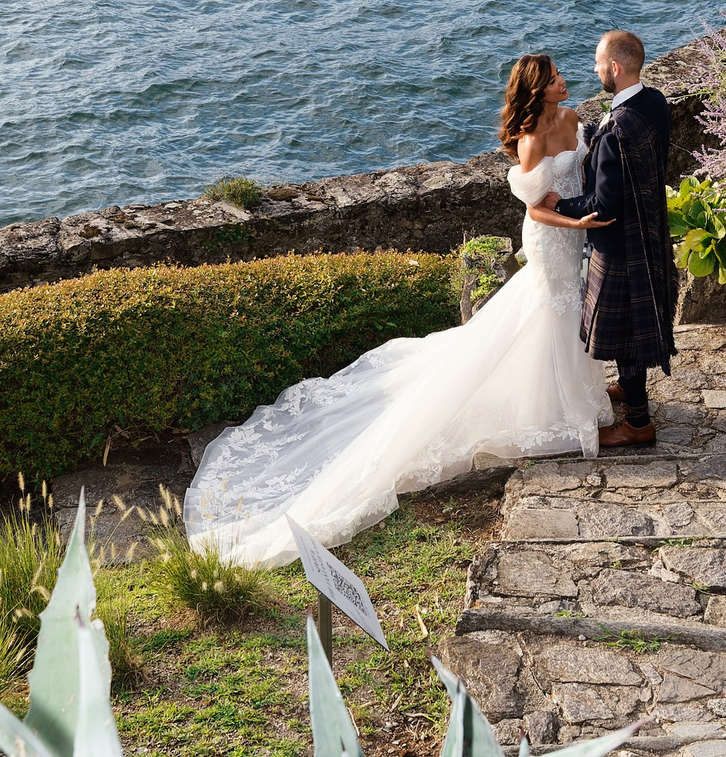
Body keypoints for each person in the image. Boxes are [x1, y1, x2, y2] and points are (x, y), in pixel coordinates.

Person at [181, 52, 610, 567]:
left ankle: (567, 403)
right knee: (549, 314)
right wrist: (579, 226)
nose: (567, 82)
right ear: (538, 89)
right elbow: (536, 207)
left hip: (574, 239)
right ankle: (558, 412)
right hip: (550, 238)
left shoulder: (573, 118)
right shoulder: (530, 141)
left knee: (561, 317)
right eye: (558, 78)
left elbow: (586, 171)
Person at [535, 30, 675, 448]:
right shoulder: (654, 103)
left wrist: (560, 205)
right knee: (635, 325)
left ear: (615, 68)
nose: (594, 69)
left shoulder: (616, 130)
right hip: (650, 230)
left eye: (598, 63)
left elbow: (602, 206)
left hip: (619, 244)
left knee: (627, 333)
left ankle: (637, 423)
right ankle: (629, 392)